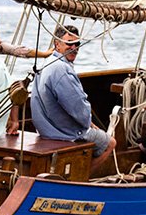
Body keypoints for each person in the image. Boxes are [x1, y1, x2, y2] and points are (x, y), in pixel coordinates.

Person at [30, 24, 116, 176]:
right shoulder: (61, 69)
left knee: (93, 129)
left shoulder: (46, 63)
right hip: (65, 133)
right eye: (69, 43)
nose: (74, 47)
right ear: (57, 44)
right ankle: (80, 179)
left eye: (77, 44)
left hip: (46, 130)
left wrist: (88, 122)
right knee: (109, 143)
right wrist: (86, 122)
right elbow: (79, 111)